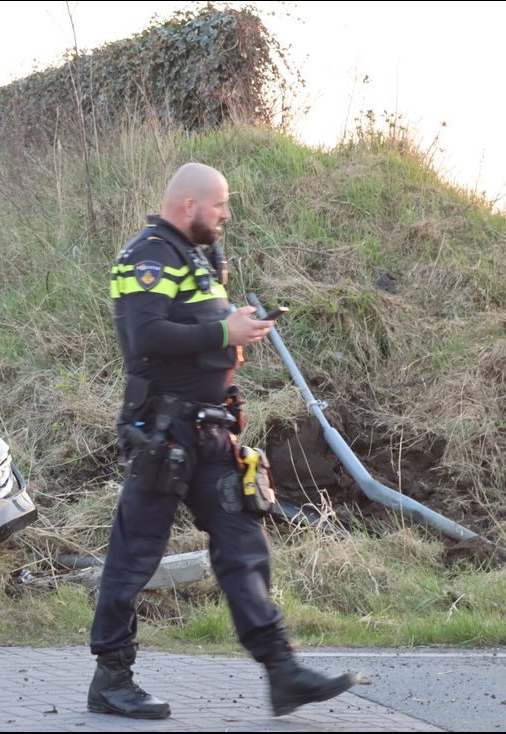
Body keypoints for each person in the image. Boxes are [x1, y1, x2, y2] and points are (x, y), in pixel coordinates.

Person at [89, 162, 355, 719]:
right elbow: (145, 335)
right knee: (135, 555)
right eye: (220, 205)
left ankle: (282, 672)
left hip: (213, 436)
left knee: (243, 546)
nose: (226, 215)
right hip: (163, 437)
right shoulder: (148, 257)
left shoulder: (198, 257)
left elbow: (197, 331)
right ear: (189, 205)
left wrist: (236, 327)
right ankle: (111, 678)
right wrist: (222, 330)